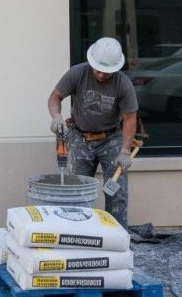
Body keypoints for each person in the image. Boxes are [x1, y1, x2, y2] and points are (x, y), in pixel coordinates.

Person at [47, 37, 138, 227]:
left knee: (116, 192)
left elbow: (130, 117)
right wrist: (56, 116)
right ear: (92, 62)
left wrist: (125, 150)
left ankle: (116, 234)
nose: (102, 75)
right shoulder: (77, 73)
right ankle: (78, 232)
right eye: (99, 70)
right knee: (76, 190)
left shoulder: (123, 83)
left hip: (111, 139)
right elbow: (55, 97)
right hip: (80, 137)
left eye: (107, 72)